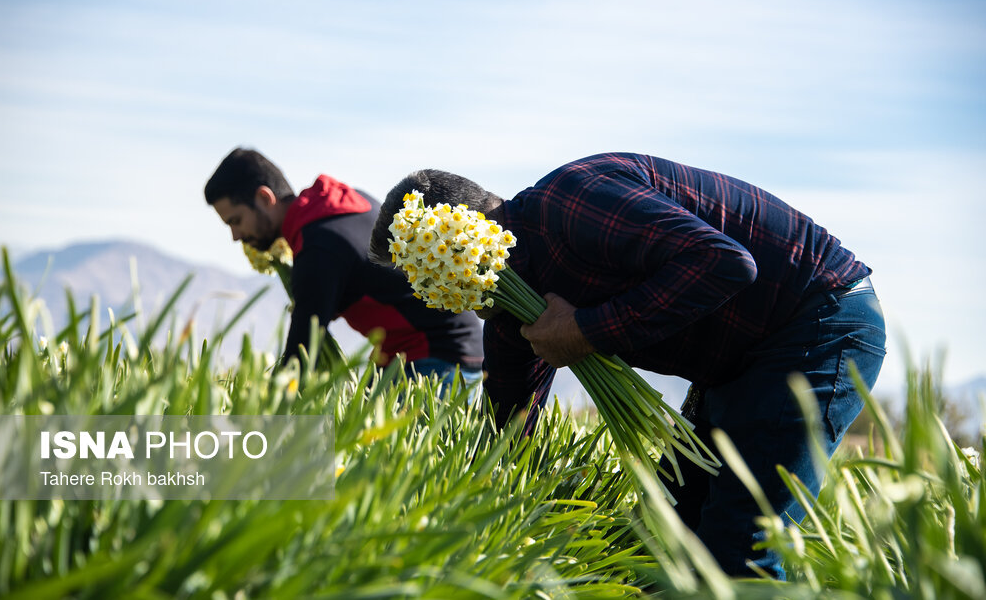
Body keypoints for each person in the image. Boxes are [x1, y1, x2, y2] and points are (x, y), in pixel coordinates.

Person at [369, 152, 886, 579]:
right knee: (657, 544)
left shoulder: (569, 202)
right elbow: (508, 428)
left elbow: (726, 262)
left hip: (817, 318)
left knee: (739, 553)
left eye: (427, 268)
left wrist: (585, 330)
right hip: (739, 358)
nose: (435, 294)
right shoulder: (511, 309)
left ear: (462, 232)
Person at [204, 147, 484, 391]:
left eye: (236, 220)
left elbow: (301, 356)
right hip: (426, 352)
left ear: (265, 198)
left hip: (436, 361)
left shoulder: (319, 246)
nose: (236, 236)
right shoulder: (340, 205)